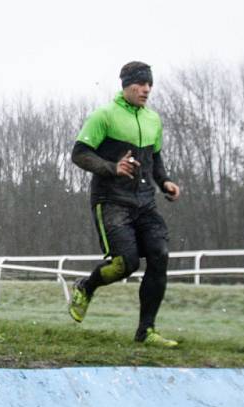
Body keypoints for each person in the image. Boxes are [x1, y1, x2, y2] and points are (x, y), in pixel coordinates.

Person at [69, 61, 181, 347]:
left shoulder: (153, 120)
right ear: (127, 85)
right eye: (141, 84)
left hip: (145, 202)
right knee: (125, 264)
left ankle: (146, 331)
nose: (146, 89)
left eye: (150, 84)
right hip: (111, 201)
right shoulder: (104, 116)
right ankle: (87, 286)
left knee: (160, 254)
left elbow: (155, 160)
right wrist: (112, 167)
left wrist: (165, 182)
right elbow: (79, 154)